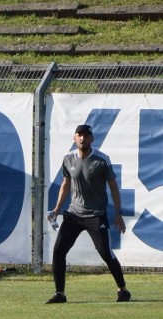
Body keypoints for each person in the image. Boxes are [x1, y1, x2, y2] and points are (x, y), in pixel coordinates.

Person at [46, 123, 130, 304]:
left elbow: (114, 187)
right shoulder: (68, 158)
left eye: (86, 135)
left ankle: (122, 290)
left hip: (96, 215)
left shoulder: (101, 160)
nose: (82, 138)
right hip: (74, 215)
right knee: (59, 251)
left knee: (106, 253)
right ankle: (60, 293)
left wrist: (118, 213)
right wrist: (56, 209)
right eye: (79, 135)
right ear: (74, 138)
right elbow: (66, 184)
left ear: (92, 139)